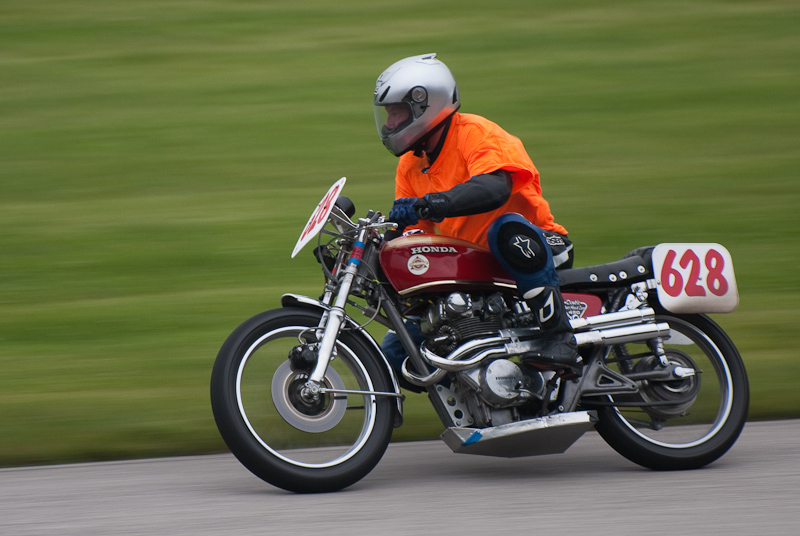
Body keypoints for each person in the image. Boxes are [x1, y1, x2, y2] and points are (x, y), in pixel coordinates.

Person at [375, 53, 581, 379]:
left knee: (506, 229)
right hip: (474, 265)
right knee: (392, 358)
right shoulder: (410, 165)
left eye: (396, 113)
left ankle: (560, 338)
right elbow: (417, 236)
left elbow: (493, 187)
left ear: (424, 106)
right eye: (388, 115)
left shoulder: (476, 133)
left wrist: (431, 203)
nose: (389, 124)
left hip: (535, 243)